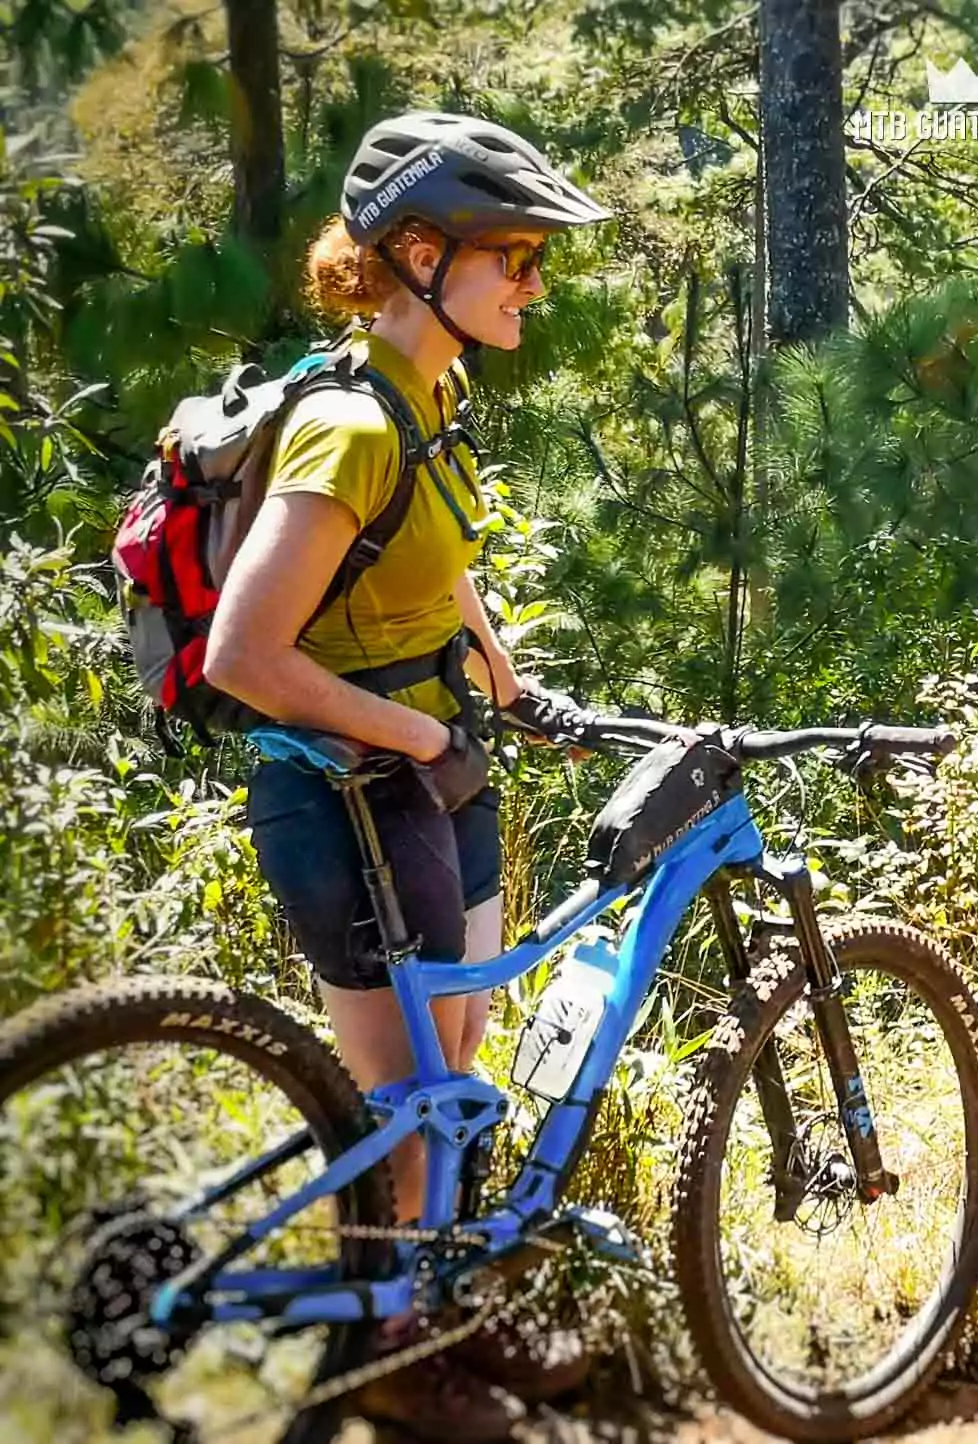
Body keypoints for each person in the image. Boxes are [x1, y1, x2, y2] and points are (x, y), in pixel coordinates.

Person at [203, 110, 609, 1441]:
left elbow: (437, 565)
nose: (536, 286)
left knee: (458, 1062)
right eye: (519, 259)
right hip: (346, 792)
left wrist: (498, 679)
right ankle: (392, 1357)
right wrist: (430, 739)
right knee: (406, 1106)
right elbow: (242, 655)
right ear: (422, 253)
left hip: (435, 769)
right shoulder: (345, 429)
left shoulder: (430, 391)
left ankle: (442, 1317)